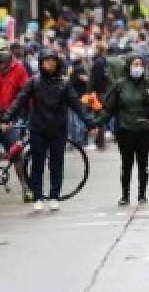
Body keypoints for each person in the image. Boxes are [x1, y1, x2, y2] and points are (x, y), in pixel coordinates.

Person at [6, 47, 97, 212]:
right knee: (37, 164)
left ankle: (54, 196)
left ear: (57, 63)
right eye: (46, 60)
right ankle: (38, 196)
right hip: (38, 128)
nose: (49, 64)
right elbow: (19, 101)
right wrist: (6, 118)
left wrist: (89, 123)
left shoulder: (63, 83)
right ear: (41, 63)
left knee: (57, 163)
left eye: (52, 61)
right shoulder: (34, 82)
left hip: (58, 129)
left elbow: (76, 104)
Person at [0, 38, 33, 202]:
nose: (1, 65)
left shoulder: (19, 68)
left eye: (4, 60)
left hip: (9, 119)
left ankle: (26, 188)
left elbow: (26, 93)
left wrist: (32, 112)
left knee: (17, 154)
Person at [104, 54, 149, 205]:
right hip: (125, 130)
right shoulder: (119, 86)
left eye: (140, 64)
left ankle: (142, 195)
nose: (138, 67)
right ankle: (125, 195)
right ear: (128, 66)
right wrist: (97, 123)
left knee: (143, 163)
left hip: (145, 130)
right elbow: (109, 109)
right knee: (126, 164)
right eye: (135, 64)